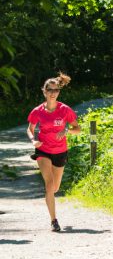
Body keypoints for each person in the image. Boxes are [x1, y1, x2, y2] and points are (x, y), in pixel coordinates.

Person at [26, 73, 81, 232]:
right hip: (43, 150)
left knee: (55, 187)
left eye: (55, 90)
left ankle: (51, 196)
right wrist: (33, 140)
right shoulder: (37, 111)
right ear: (44, 91)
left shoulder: (65, 110)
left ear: (58, 91)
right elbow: (30, 129)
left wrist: (67, 131)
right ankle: (54, 220)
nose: (52, 93)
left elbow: (78, 129)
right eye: (49, 90)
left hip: (60, 151)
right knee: (49, 185)